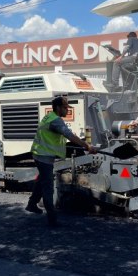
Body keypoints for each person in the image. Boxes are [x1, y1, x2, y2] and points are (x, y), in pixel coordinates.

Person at [26, 96, 97, 227]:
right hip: (44, 156)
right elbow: (69, 135)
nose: (67, 110)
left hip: (39, 153)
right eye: (65, 108)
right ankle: (52, 219)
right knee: (48, 188)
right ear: (58, 108)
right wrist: (87, 146)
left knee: (42, 180)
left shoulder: (50, 117)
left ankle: (31, 204)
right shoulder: (56, 121)